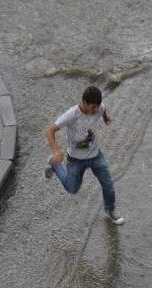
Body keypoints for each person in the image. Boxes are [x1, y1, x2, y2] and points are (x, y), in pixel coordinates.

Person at [44, 86, 124, 225]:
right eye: (92, 108)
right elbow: (50, 130)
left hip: (96, 156)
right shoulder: (71, 115)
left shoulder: (99, 107)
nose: (94, 111)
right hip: (76, 160)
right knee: (72, 188)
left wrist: (106, 118)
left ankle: (110, 211)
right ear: (84, 102)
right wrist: (56, 151)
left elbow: (103, 109)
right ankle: (55, 165)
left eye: (97, 108)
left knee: (108, 185)